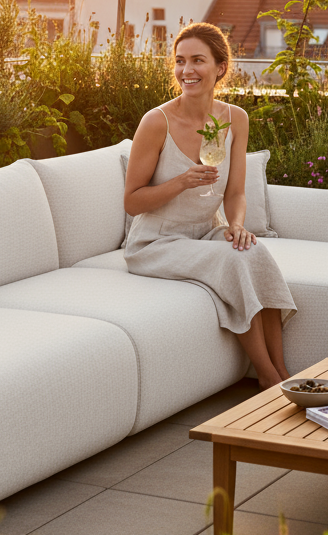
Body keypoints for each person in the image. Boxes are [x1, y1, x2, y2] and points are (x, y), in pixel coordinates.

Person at [123, 22, 295, 389]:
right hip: (156, 243)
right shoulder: (156, 123)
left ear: (220, 67)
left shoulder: (234, 119)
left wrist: (236, 224)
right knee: (234, 259)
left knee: (253, 252)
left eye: (197, 60)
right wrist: (180, 182)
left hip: (205, 232)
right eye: (180, 61)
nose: (186, 71)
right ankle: (267, 378)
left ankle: (284, 372)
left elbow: (234, 192)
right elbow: (132, 202)